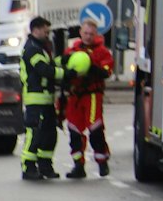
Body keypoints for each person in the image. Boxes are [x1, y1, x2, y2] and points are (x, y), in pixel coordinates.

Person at [61, 17, 114, 178]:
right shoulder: (72, 50)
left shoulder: (102, 52)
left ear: (96, 34)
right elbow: (63, 68)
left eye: (91, 34)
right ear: (80, 32)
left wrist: (91, 66)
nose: (88, 36)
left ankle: (102, 161)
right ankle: (78, 165)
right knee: (74, 130)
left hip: (92, 95)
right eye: (85, 33)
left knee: (95, 129)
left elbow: (106, 72)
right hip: (75, 95)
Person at [19, 17, 60, 181]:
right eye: (45, 30)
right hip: (35, 100)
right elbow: (44, 69)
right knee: (34, 133)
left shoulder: (42, 47)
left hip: (46, 100)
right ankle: (28, 167)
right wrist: (66, 73)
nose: (47, 34)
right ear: (36, 30)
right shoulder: (32, 48)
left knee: (49, 134)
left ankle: (45, 166)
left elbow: (50, 64)